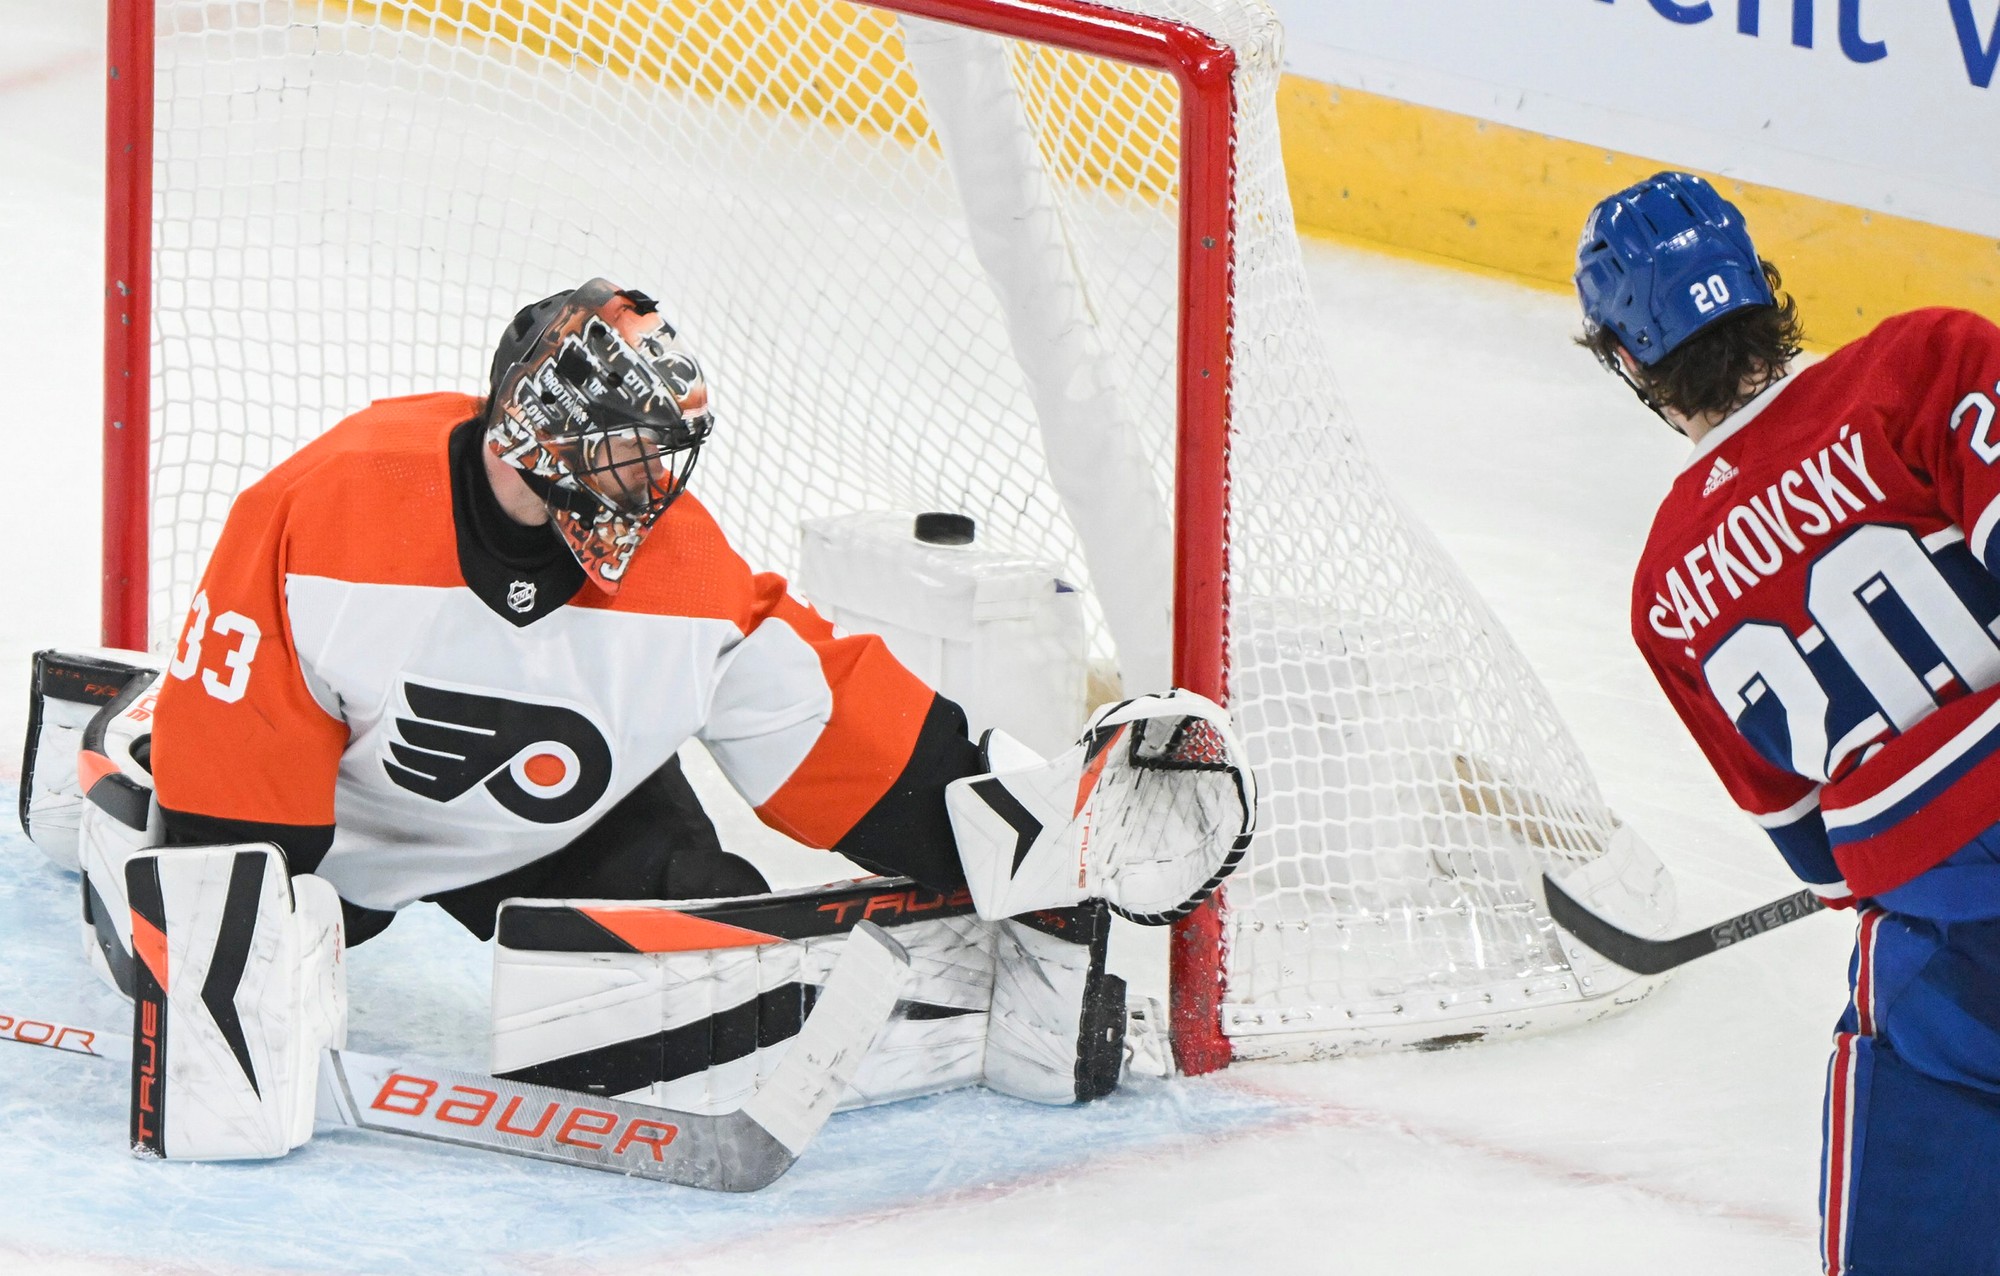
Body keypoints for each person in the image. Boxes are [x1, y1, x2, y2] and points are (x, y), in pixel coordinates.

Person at [53, 278, 1251, 1163]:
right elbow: (238, 784)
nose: (642, 496)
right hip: (331, 820)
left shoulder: (681, 574)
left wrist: (1037, 825)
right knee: (232, 1010)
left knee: (719, 991)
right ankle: (114, 754)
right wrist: (225, 932)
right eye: (616, 459)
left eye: (654, 463)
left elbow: (848, 743)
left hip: (554, 827)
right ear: (529, 427)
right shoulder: (324, 512)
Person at [1577, 172, 2000, 1274]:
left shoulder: (1665, 588)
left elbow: (1816, 852)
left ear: (1629, 365)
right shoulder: (1924, 360)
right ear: (1765, 288)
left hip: (1941, 940)